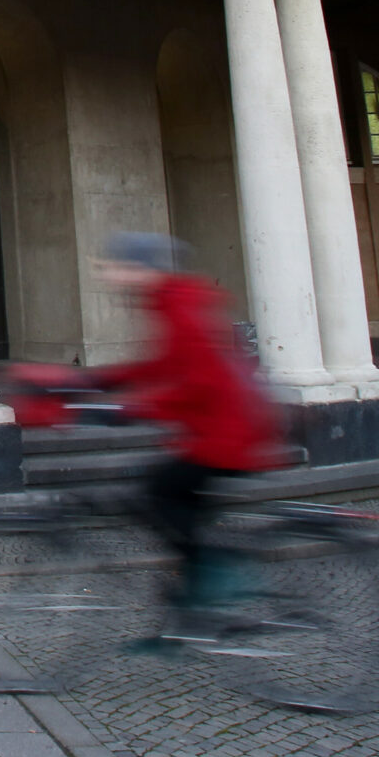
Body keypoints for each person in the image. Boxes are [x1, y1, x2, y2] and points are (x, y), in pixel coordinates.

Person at [83, 231, 286, 637]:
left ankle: (217, 579)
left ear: (141, 269)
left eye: (118, 267)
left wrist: (133, 408)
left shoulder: (178, 304)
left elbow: (200, 382)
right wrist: (102, 380)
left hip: (227, 436)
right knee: (176, 506)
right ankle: (191, 608)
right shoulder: (172, 300)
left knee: (158, 495)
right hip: (218, 431)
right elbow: (163, 365)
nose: (111, 275)